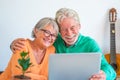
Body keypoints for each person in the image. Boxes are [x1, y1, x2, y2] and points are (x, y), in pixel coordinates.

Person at [10, 8, 116, 80]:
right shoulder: (54, 40)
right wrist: (16, 43)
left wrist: (104, 75)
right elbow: (37, 43)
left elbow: (110, 70)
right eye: (64, 29)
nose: (69, 33)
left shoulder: (90, 44)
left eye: (72, 28)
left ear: (79, 26)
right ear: (59, 31)